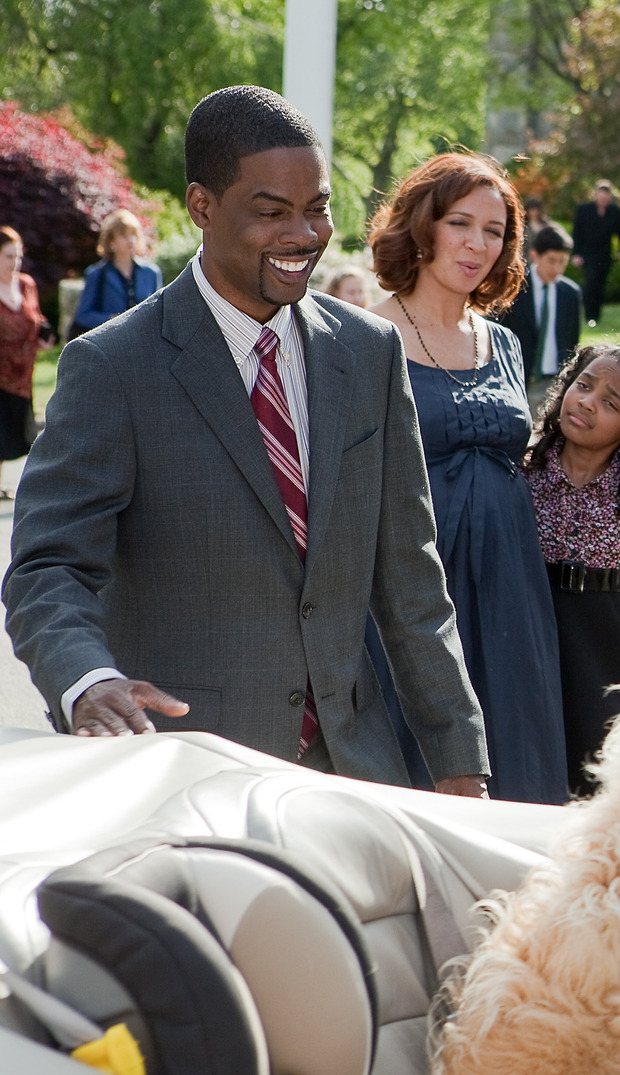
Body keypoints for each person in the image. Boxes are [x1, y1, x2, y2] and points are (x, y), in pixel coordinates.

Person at [2, 86, 487, 793]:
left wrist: (459, 761)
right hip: (182, 778)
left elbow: (412, 582)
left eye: (317, 207)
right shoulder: (113, 367)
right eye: (272, 212)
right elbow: (47, 567)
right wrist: (87, 681)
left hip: (355, 776)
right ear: (203, 206)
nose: (304, 234)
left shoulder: (371, 352)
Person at [366, 151, 568, 804]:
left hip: (510, 582)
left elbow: (530, 464)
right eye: (461, 223)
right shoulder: (366, 336)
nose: (478, 244)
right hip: (413, 586)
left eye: (494, 231)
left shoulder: (503, 344)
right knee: (415, 768)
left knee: (514, 755)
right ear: (423, 223)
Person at [523, 339, 620, 795]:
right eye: (583, 385)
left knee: (595, 787)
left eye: (610, 403)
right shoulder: (520, 474)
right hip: (529, 645)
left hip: (602, 661)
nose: (587, 402)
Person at [503, 224, 583, 410]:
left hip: (555, 380)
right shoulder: (515, 290)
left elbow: (572, 340)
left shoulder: (570, 293)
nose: (557, 268)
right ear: (535, 256)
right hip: (521, 379)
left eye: (563, 261)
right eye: (551, 260)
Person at [0, 226, 51, 475]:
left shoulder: (26, 285)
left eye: (18, 256)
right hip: (1, 373)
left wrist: (41, 338)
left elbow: (36, 317)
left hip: (23, 373)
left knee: (19, 435)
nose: (15, 262)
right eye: (8, 256)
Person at [71, 209, 161, 337]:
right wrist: (113, 319)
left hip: (144, 343)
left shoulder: (152, 272)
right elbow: (83, 316)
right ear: (111, 241)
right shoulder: (96, 274)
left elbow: (159, 313)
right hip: (109, 345)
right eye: (124, 235)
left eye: (133, 234)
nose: (130, 240)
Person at [570, 180, 620, 326]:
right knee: (590, 283)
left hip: (604, 254)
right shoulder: (584, 210)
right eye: (601, 197)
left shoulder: (614, 212)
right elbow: (577, 233)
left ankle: (596, 315)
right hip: (588, 254)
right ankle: (589, 315)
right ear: (595, 195)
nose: (603, 200)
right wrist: (576, 254)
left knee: (600, 285)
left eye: (606, 197)